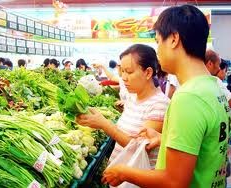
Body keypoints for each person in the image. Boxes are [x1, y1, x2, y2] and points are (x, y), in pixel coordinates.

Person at [102, 5, 229, 188]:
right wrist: (165, 139)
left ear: (174, 39)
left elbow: (174, 182)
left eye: (158, 41)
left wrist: (123, 172)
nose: (157, 50)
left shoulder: (188, 98)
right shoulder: (214, 87)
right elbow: (207, 144)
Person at [76, 44, 170, 168]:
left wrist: (104, 124)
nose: (124, 78)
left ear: (148, 72)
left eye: (129, 72)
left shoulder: (159, 105)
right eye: (123, 71)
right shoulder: (132, 98)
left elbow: (141, 148)